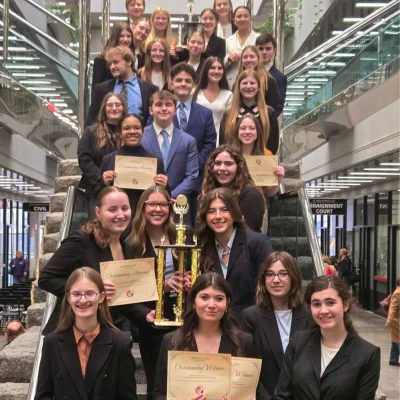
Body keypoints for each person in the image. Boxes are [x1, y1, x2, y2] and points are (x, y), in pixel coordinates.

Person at [38, 186, 136, 334]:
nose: (120, 215)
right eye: (112, 209)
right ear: (98, 212)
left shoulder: (127, 247)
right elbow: (46, 279)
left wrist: (145, 314)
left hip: (106, 333)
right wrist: (89, 290)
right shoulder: (81, 241)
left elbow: (121, 296)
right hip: (71, 334)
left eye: (125, 208)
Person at [126, 186, 192, 399]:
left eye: (162, 204)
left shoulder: (185, 233)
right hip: (153, 321)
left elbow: (200, 269)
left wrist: (193, 280)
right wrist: (160, 286)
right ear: (143, 208)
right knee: (158, 382)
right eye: (152, 204)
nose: (158, 209)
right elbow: (129, 288)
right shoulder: (131, 243)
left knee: (187, 381)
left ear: (170, 207)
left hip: (187, 319)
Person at [35, 267, 137, 400]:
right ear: (68, 298)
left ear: (101, 297)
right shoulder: (52, 343)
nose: (83, 300)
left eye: (90, 293)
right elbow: (44, 396)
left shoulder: (120, 343)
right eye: (76, 294)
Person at [275, 275, 381, 400]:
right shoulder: (298, 342)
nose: (323, 310)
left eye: (330, 303)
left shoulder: (367, 354)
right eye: (316, 304)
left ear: (345, 305)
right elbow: (282, 394)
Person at [153, 271, 254, 400]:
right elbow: (159, 394)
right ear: (194, 302)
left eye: (219, 298)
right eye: (204, 297)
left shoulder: (244, 341)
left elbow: (254, 393)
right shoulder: (172, 341)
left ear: (227, 303)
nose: (211, 305)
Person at [146, 65, 216, 220]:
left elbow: (210, 144)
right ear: (171, 83)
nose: (183, 84)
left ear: (194, 84)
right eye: (178, 80)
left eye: (187, 80)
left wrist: (190, 164)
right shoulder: (159, 113)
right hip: (152, 194)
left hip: (190, 186)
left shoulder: (206, 114)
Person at [242, 252, 313, 400]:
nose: (276, 280)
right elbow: (247, 367)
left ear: (293, 277)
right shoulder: (251, 317)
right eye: (270, 274)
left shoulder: (310, 315)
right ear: (263, 279)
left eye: (283, 274)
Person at [197, 188, 272, 319]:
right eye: (211, 211)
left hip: (250, 326)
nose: (218, 216)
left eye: (224, 210)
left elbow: (268, 289)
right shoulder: (201, 247)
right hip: (214, 326)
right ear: (205, 216)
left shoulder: (257, 243)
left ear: (234, 212)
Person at [100, 113, 168, 217]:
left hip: (146, 218)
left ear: (143, 131)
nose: (132, 132)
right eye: (127, 128)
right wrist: (104, 183)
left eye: (137, 128)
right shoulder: (108, 160)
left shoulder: (155, 162)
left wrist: (164, 186)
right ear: (120, 132)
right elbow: (99, 195)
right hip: (118, 217)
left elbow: (164, 197)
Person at [141, 90, 199, 202]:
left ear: (175, 110)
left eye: (168, 104)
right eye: (158, 104)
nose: (164, 108)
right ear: (150, 110)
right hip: (147, 203)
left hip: (177, 203)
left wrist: (168, 196)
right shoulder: (140, 137)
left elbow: (192, 176)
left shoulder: (188, 141)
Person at [78, 93, 126, 219]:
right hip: (97, 191)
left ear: (123, 108)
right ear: (104, 108)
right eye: (110, 105)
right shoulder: (91, 132)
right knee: (99, 228)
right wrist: (101, 178)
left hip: (125, 191)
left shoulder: (130, 132)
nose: (114, 108)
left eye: (118, 104)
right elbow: (84, 158)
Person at [86, 46, 158, 127]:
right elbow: (91, 121)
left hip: (139, 137)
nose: (112, 67)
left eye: (116, 62)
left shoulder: (150, 89)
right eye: (110, 64)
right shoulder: (101, 89)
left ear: (129, 61)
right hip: (109, 137)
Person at [201, 145, 266, 232]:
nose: (222, 168)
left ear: (239, 167)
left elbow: (246, 232)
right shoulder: (207, 192)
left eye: (228, 164)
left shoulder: (251, 195)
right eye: (218, 163)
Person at [220, 69, 279, 155]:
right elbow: (223, 143)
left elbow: (273, 144)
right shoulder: (228, 114)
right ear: (238, 87)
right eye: (244, 83)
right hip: (234, 162)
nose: (248, 86)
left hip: (261, 162)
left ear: (258, 87)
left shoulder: (269, 113)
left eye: (252, 83)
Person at [229, 115, 284, 198]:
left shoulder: (266, 155)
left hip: (257, 202)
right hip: (231, 201)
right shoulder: (228, 154)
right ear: (237, 131)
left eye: (252, 128)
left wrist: (278, 179)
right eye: (243, 128)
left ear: (258, 132)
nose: (247, 132)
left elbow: (269, 193)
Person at [193, 56, 232, 141]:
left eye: (220, 68)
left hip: (220, 141)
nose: (216, 71)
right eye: (212, 68)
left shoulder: (228, 95)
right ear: (206, 71)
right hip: (197, 140)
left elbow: (229, 123)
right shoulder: (194, 93)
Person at [236, 45, 279, 114]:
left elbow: (273, 109)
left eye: (252, 57)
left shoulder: (269, 81)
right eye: (245, 57)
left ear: (258, 59)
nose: (248, 60)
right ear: (241, 61)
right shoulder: (237, 81)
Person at [224, 6, 259, 89]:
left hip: (252, 82)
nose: (242, 19)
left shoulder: (258, 39)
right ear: (234, 20)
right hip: (231, 83)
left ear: (251, 19)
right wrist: (228, 59)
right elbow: (221, 64)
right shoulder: (228, 40)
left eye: (246, 16)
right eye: (239, 16)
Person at [92, 22, 135, 90]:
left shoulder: (131, 59)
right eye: (122, 36)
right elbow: (96, 90)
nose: (126, 39)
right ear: (115, 37)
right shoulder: (101, 60)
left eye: (129, 36)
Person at [256, 34, 287, 116]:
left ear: (275, 51)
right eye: (261, 49)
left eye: (268, 49)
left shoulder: (279, 77)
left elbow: (278, 107)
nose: (264, 52)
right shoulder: (249, 72)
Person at [387, 277, 400, 366]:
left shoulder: (397, 291)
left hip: (395, 320)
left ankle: (393, 359)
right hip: (396, 321)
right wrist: (389, 320)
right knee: (398, 339)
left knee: (395, 340)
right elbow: (393, 308)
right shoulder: (398, 293)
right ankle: (394, 359)